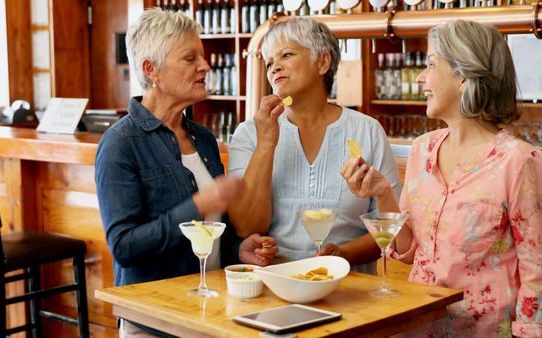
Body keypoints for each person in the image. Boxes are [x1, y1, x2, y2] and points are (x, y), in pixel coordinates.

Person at [342, 20, 542, 337]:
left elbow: (537, 268)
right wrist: (383, 194)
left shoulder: (519, 162)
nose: (421, 77)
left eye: (431, 64)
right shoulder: (422, 150)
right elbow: (409, 252)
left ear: (463, 75)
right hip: (417, 326)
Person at [95, 9, 278, 337]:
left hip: (212, 311)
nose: (205, 66)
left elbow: (213, 230)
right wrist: (199, 205)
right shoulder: (120, 143)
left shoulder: (204, 138)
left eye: (203, 56)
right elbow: (124, 246)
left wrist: (238, 248)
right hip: (154, 319)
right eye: (190, 58)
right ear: (152, 70)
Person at [228, 17, 401, 274]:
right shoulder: (250, 133)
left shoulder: (367, 130)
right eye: (269, 63)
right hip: (274, 283)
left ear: (323, 62)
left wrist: (343, 255)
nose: (274, 68)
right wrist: (266, 143)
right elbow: (247, 227)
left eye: (286, 55)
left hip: (352, 288)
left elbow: (389, 228)